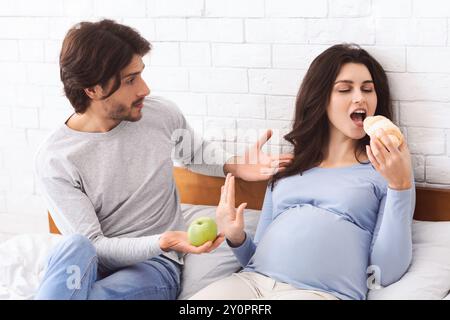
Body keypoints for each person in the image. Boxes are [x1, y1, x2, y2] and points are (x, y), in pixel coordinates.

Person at [33, 19, 293, 300]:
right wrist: (165, 239)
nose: (144, 89)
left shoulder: (159, 115)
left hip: (152, 264)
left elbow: (193, 153)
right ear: (92, 90)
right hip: (92, 263)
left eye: (140, 74)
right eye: (130, 80)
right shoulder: (55, 159)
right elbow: (93, 245)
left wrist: (235, 165)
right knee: (73, 246)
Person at [190, 44, 416, 300]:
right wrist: (236, 237)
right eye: (344, 89)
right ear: (320, 98)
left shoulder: (389, 171)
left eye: (367, 89)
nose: (359, 97)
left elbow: (385, 272)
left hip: (318, 294)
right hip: (251, 283)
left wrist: (400, 187)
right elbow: (256, 257)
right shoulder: (288, 168)